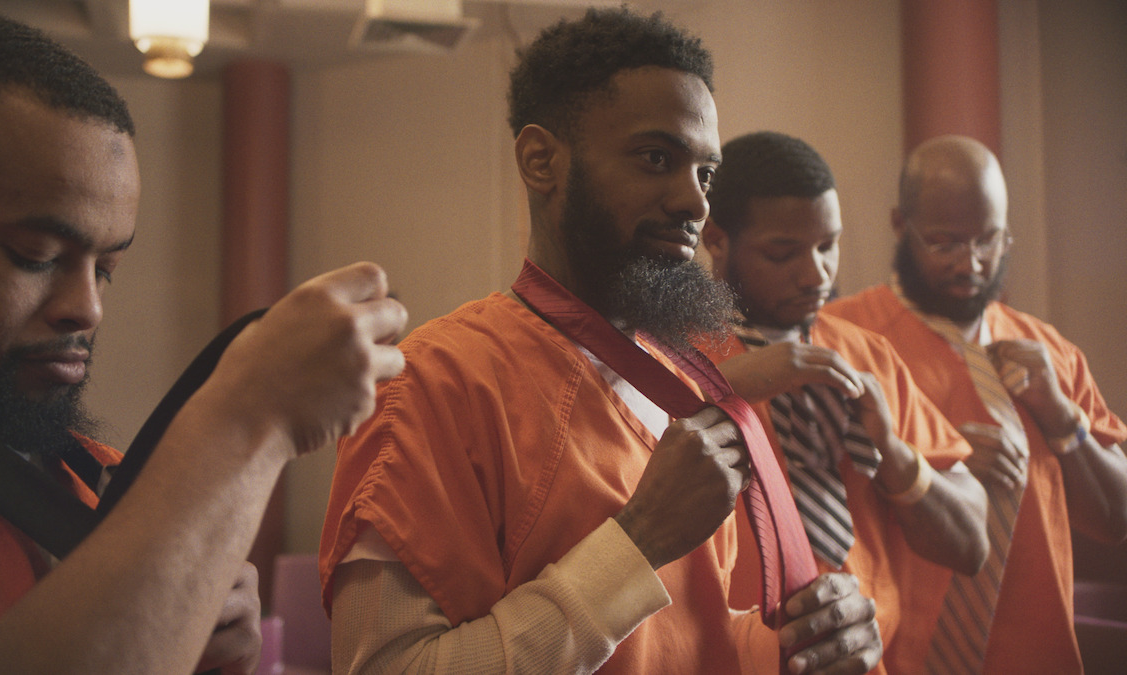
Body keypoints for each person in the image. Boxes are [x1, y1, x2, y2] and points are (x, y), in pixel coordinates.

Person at [319, 8, 881, 674]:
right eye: (655, 158)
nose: (695, 203)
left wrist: (804, 643)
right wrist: (637, 541)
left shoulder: (691, 379)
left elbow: (680, 641)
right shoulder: (433, 382)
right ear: (540, 161)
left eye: (705, 174)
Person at [0, 11, 407, 675]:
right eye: (33, 254)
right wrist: (247, 419)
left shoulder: (102, 480)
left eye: (106, 268)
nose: (87, 309)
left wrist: (199, 643)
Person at [825, 134, 1127, 673]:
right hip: (892, 656)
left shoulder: (1050, 353)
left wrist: (1063, 420)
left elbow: (1117, 519)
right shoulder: (842, 337)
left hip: (1037, 657)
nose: (971, 263)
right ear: (901, 225)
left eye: (989, 240)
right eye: (944, 242)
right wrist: (937, 474)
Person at [699, 130, 989, 674]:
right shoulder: (669, 359)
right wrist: (724, 387)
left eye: (828, 246)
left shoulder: (867, 355)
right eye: (783, 253)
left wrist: (895, 453)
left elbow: (970, 545)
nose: (817, 275)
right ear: (716, 238)